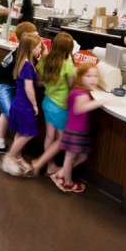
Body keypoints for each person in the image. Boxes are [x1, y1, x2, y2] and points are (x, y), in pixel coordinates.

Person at [49, 62, 105, 194]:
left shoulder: (77, 90)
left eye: (95, 76)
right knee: (69, 158)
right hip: (75, 131)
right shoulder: (82, 94)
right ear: (80, 78)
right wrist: (99, 102)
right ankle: (68, 183)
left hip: (77, 130)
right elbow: (79, 109)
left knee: (83, 156)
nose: (93, 79)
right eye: (88, 76)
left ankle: (60, 174)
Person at [0, 33, 43, 177]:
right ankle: (9, 157)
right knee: (28, 133)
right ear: (32, 48)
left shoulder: (22, 61)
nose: (41, 48)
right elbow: (29, 88)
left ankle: (18, 158)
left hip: (18, 103)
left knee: (20, 133)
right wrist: (35, 105)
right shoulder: (28, 66)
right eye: (39, 46)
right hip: (25, 105)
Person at [0, 22, 38, 154]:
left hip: (9, 84)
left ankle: (1, 145)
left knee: (6, 113)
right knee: (10, 113)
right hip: (1, 83)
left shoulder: (22, 51)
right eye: (34, 34)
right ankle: (12, 149)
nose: (37, 35)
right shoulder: (23, 55)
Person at [32, 32, 76, 176]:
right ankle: (40, 162)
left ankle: (50, 166)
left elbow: (38, 76)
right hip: (60, 107)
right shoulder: (67, 64)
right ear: (69, 49)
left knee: (49, 137)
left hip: (47, 102)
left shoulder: (44, 60)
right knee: (62, 139)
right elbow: (72, 85)